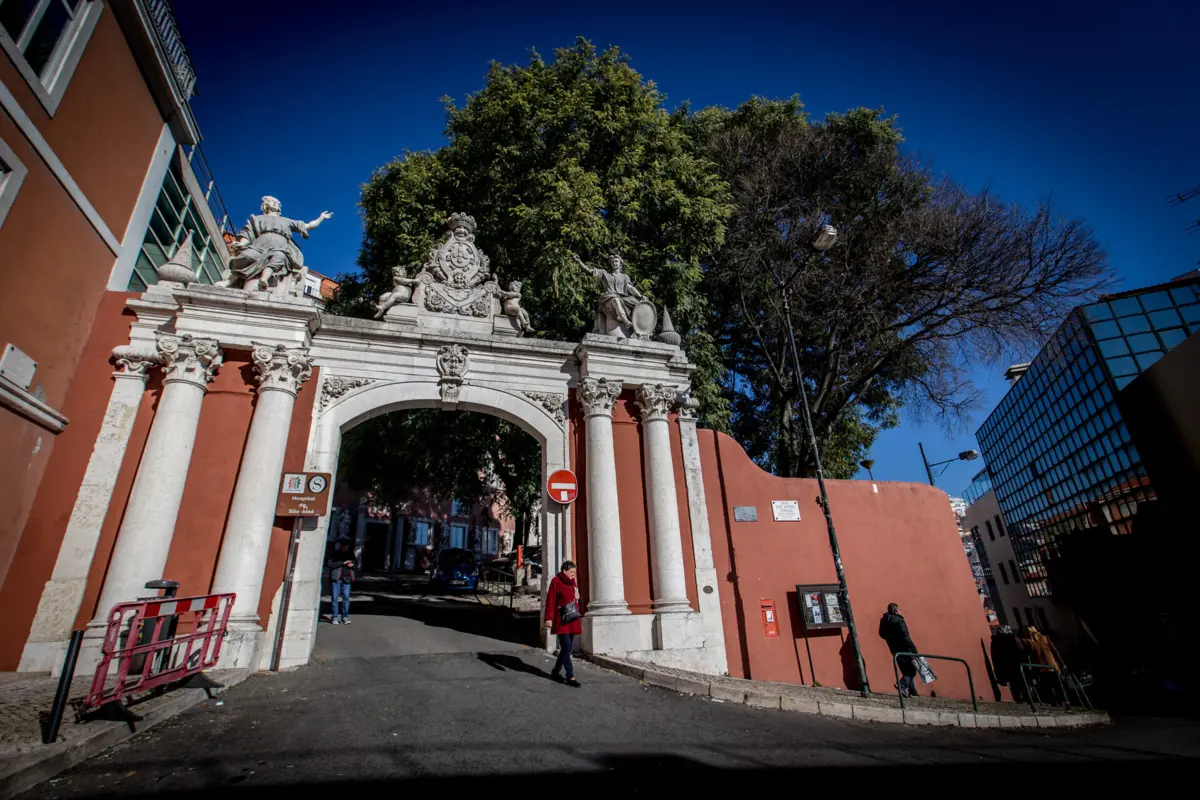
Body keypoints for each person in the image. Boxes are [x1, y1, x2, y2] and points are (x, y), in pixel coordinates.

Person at [545, 560, 583, 687]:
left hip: (571, 618)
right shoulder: (556, 581)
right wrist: (548, 618)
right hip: (561, 619)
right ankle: (570, 676)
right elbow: (550, 599)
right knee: (566, 647)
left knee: (566, 648)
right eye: (571, 572)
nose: (573, 574)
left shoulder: (573, 583)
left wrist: (578, 597)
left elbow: (575, 600)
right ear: (564, 571)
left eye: (574, 572)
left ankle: (555, 671)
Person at [879, 603, 920, 697]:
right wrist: (914, 649)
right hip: (904, 647)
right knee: (912, 671)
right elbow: (906, 636)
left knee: (906, 670)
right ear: (896, 610)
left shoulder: (884, 620)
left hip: (893, 648)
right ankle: (902, 685)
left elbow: (881, 634)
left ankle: (913, 692)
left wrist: (891, 638)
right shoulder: (899, 620)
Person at [328, 542, 354, 625]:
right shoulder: (335, 553)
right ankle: (334, 617)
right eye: (345, 546)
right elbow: (330, 564)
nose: (346, 547)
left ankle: (344, 617)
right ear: (342, 546)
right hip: (336, 579)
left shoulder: (351, 554)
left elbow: (356, 565)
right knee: (335, 598)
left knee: (346, 598)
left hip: (347, 579)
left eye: (347, 546)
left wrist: (352, 565)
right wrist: (342, 563)